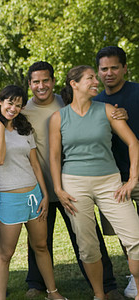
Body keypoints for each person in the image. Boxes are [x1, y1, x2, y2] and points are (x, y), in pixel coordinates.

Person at [23, 61, 123, 300]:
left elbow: (93, 114)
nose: (41, 86)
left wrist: (119, 114)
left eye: (45, 80)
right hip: (40, 187)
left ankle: (107, 285)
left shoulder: (65, 103)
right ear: (29, 85)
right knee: (38, 239)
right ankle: (35, 283)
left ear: (53, 81)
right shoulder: (23, 111)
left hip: (73, 184)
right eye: (36, 82)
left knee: (88, 235)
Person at [49, 65, 139, 300]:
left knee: (135, 238)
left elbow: (133, 143)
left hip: (110, 183)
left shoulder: (108, 110)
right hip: (75, 185)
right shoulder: (58, 117)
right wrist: (58, 188)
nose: (96, 81)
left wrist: (132, 179)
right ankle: (99, 295)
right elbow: (55, 156)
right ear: (74, 83)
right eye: (90, 78)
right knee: (88, 246)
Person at [0, 85, 66, 300]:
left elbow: (35, 165)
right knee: (6, 254)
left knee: (41, 246)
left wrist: (45, 195)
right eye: (10, 103)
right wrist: (1, 128)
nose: (14, 108)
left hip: (34, 196)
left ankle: (52, 292)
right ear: (0, 102)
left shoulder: (24, 129)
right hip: (10, 199)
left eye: (18, 105)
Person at [94, 46, 139, 299]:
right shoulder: (96, 103)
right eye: (104, 69)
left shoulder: (137, 92)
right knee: (126, 232)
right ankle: (135, 277)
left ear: (124, 68)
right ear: (98, 72)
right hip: (113, 178)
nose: (109, 73)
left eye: (113, 67)